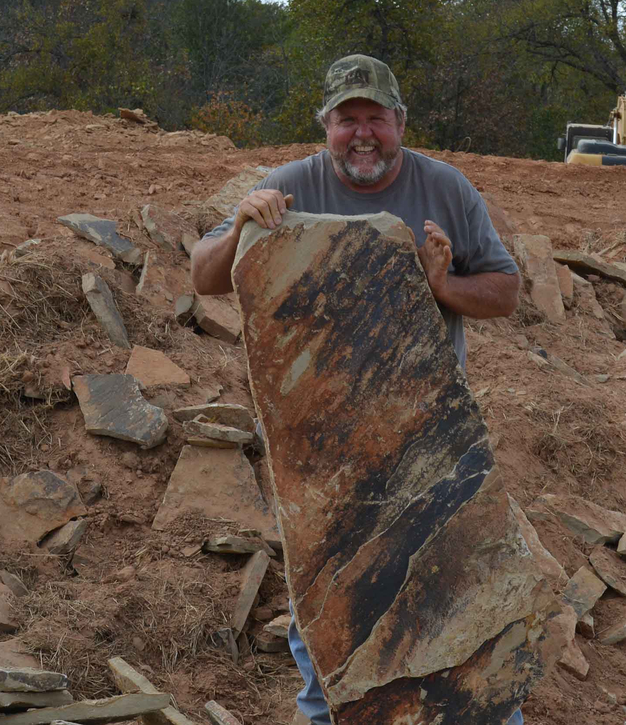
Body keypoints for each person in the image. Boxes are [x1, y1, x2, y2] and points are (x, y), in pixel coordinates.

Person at [187, 53, 525, 724]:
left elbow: (506, 290)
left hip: (430, 452)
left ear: (400, 121)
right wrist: (244, 227)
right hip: (321, 466)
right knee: (329, 629)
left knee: (454, 614)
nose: (363, 133)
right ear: (327, 125)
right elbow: (202, 276)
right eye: (348, 120)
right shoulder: (289, 186)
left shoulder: (446, 190)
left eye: (377, 118)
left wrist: (443, 287)